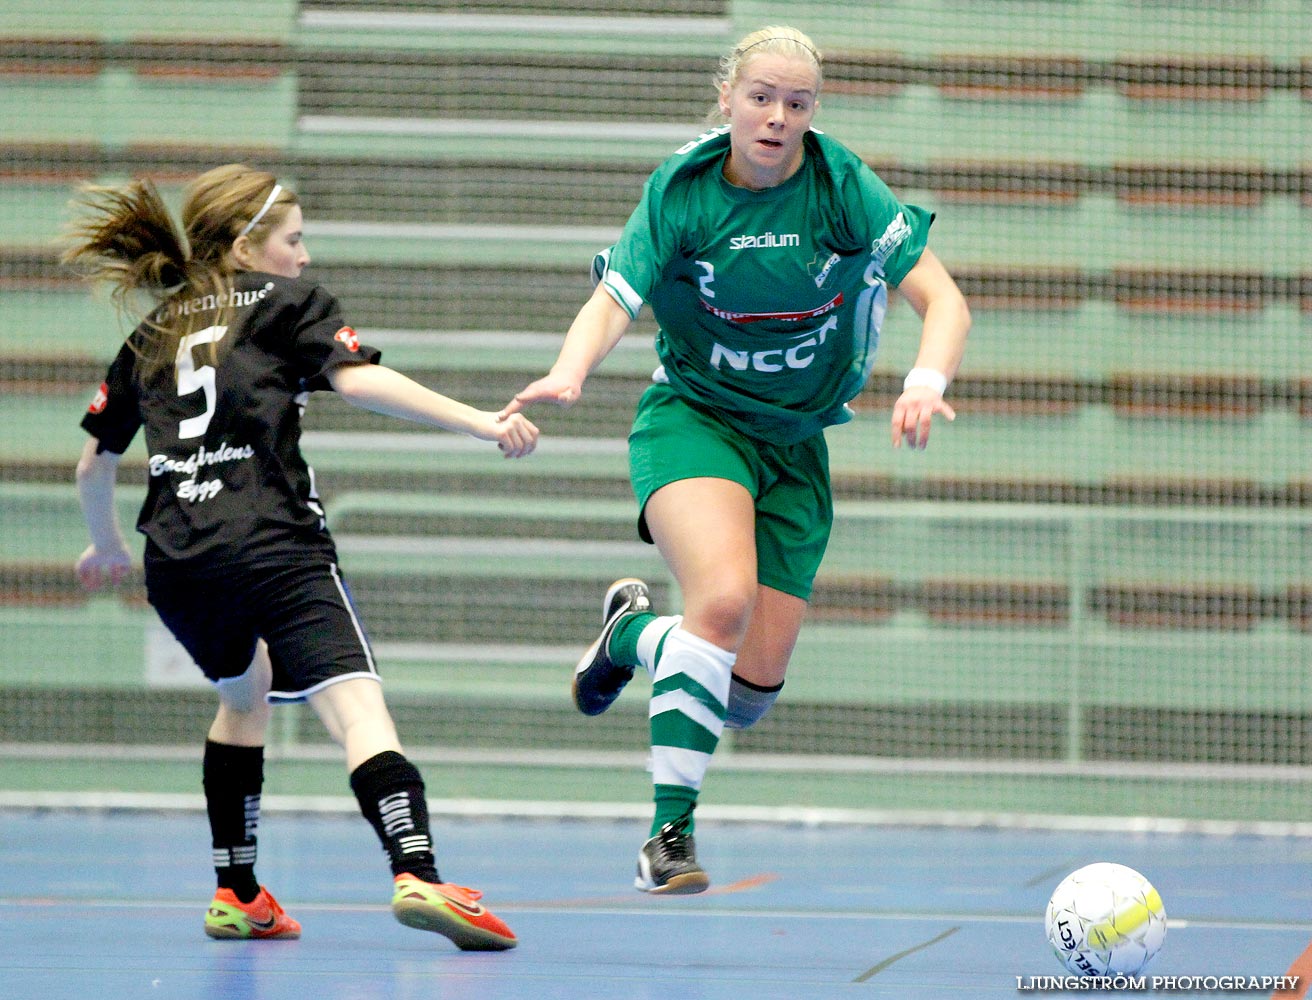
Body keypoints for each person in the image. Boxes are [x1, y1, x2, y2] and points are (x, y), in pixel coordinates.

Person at [502, 25, 971, 894]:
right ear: (727, 98)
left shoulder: (842, 186)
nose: (778, 116)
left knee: (749, 692)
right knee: (718, 605)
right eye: (761, 96)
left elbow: (941, 297)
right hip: (696, 421)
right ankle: (667, 839)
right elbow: (614, 298)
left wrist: (926, 376)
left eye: (797, 102)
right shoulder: (682, 192)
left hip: (794, 445)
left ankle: (632, 634)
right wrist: (569, 370)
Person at [65, 164, 536, 948]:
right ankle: (416, 870)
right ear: (250, 245)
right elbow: (359, 380)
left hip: (177, 561)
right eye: (294, 239)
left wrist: (105, 543)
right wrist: (484, 423)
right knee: (357, 707)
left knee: (245, 697)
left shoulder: (153, 331)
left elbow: (92, 464)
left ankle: (237, 892)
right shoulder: (289, 304)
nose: (305, 257)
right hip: (273, 543)